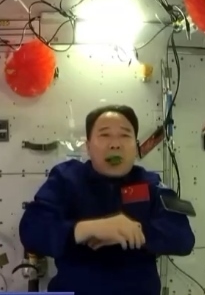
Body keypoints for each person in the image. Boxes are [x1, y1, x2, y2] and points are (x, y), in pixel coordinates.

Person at [19, 105, 195, 295]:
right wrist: (86, 229)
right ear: (88, 146)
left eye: (125, 135)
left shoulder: (150, 183)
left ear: (136, 147)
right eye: (104, 135)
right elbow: (31, 230)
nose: (115, 144)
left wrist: (135, 231)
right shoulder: (66, 178)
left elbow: (183, 238)